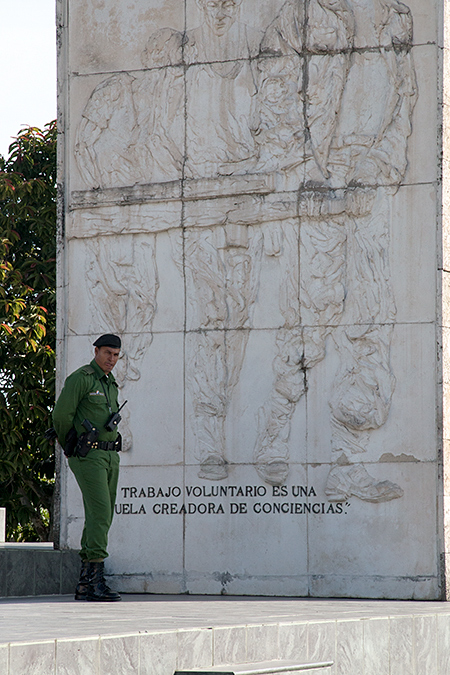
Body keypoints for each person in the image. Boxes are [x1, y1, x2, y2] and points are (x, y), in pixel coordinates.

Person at [53, 334, 123, 601]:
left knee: (103, 515)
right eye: (107, 353)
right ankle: (92, 581)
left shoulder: (110, 383)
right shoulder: (81, 378)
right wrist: (69, 446)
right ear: (96, 351)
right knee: (101, 513)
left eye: (116, 355)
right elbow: (61, 415)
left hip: (109, 456)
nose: (111, 359)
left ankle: (88, 583)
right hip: (88, 456)